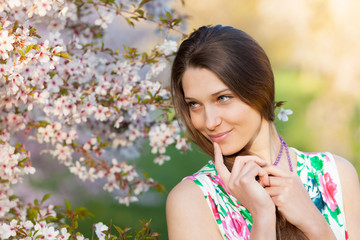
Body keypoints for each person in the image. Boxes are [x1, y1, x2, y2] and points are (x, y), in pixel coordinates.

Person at [166, 25, 360, 240]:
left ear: (259, 88)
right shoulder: (192, 200)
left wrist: (314, 223)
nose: (209, 122)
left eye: (222, 98)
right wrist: (262, 217)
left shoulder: (336, 175)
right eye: (194, 104)